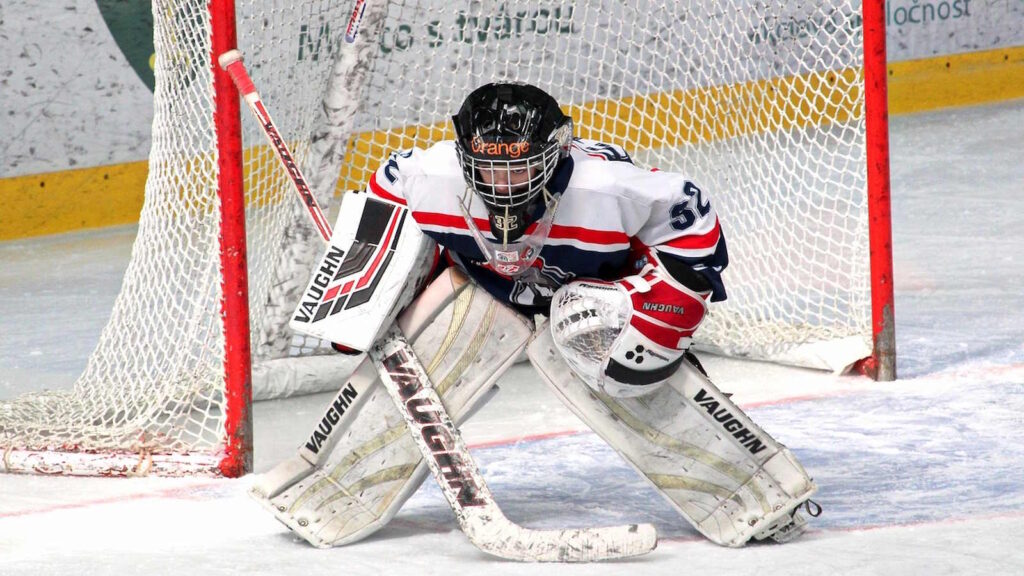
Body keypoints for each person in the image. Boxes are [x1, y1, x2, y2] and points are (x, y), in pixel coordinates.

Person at [365, 81, 728, 394]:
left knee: (615, 336)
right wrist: (363, 288)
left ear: (555, 154)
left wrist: (672, 303)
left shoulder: (603, 188)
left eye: (520, 169)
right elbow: (387, 185)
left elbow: (688, 211)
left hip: (593, 288)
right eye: (488, 170)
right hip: (481, 280)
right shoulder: (433, 180)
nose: (503, 188)